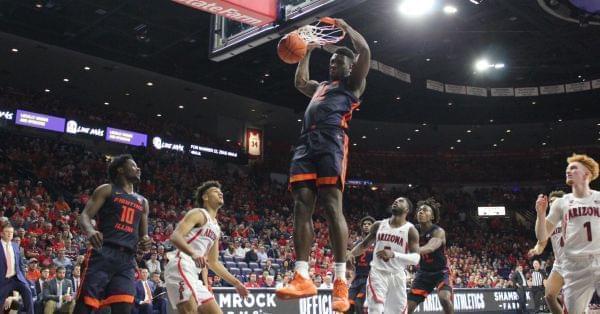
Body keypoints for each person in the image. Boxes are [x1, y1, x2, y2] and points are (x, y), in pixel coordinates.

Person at [277, 17, 371, 312]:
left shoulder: (353, 84)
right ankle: (302, 275)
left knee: (332, 206)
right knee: (301, 205)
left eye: (339, 61)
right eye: (331, 60)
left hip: (332, 141)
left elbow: (365, 51)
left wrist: (345, 25)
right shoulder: (320, 86)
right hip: (306, 142)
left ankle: (340, 280)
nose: (333, 64)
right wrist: (305, 50)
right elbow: (299, 82)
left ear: (349, 66)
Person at [73, 154, 151, 313]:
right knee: (86, 304)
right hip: (103, 252)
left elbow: (144, 235)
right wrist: (90, 231)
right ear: (121, 169)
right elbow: (84, 216)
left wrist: (146, 241)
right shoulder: (107, 189)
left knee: (124, 307)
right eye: (134, 166)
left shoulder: (143, 202)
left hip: (127, 260)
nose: (138, 169)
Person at [164, 181, 248, 314]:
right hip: (181, 264)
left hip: (194, 273)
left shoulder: (216, 227)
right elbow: (175, 236)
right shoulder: (198, 213)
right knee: (189, 311)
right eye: (215, 191)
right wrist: (194, 253)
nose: (220, 193)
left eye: (220, 191)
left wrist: (236, 283)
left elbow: (213, 262)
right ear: (205, 197)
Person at [535, 154, 600, 314]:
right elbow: (542, 236)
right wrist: (540, 214)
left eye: (574, 168)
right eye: (568, 168)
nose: (569, 170)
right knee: (552, 297)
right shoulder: (561, 204)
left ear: (586, 174)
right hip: (571, 263)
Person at [347, 197, 420, 313]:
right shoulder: (378, 225)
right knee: (375, 308)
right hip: (377, 272)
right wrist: (350, 254)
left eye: (400, 201)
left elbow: (416, 259)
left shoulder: (411, 230)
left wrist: (394, 255)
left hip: (397, 275)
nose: (396, 201)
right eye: (395, 200)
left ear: (407, 209)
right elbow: (363, 245)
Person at [407, 198, 454, 313]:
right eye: (419, 210)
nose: (421, 212)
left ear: (432, 216)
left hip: (441, 272)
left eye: (425, 210)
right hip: (423, 273)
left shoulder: (438, 231)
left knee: (444, 298)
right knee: (407, 307)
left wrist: (413, 251)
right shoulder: (413, 230)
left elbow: (431, 247)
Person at [528, 190, 564, 314]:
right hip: (560, 264)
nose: (552, 204)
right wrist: (536, 250)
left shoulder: (572, 215)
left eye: (555, 202)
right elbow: (541, 242)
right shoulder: (550, 220)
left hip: (576, 263)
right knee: (549, 295)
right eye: (551, 202)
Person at [0, 224, 34, 314]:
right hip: (3, 280)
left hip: (17, 278)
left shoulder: (15, 246)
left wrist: (23, 279)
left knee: (28, 292)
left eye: (11, 232)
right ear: (1, 234)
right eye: (7, 232)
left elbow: (20, 264)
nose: (9, 234)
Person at [347, 216, 375, 314]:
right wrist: (349, 279)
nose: (366, 226)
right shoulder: (357, 244)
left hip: (370, 279)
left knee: (359, 304)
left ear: (373, 227)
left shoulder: (377, 243)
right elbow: (353, 265)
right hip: (357, 279)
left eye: (369, 224)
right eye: (364, 224)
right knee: (348, 306)